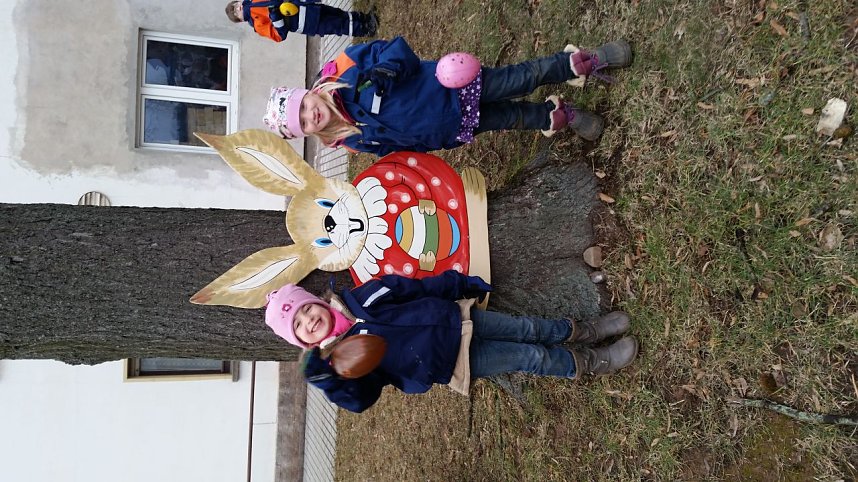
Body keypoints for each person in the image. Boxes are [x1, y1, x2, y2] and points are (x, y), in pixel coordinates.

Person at [265, 271, 639, 413]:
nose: (308, 320)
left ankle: (585, 331)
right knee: (530, 357)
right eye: (298, 326)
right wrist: (329, 380)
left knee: (528, 328)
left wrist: (460, 284)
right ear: (301, 339)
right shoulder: (343, 364)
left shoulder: (364, 296)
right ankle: (593, 362)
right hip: (456, 362)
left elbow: (414, 287)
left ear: (314, 301)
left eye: (304, 310)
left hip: (459, 318)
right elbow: (361, 399)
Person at [262, 36, 632, 157]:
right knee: (512, 118)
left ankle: (583, 62)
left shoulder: (349, 69)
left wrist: (388, 69)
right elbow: (397, 148)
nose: (312, 116)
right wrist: (437, 144)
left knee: (520, 79)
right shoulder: (351, 140)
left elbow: (398, 50)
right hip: (453, 126)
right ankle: (559, 116)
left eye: (305, 107)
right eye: (304, 124)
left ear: (310, 93)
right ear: (307, 133)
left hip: (454, 87)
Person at [225, 0, 378, 41]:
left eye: (236, 5)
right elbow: (280, 35)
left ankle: (363, 18)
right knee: (337, 25)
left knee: (337, 13)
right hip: (305, 23)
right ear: (241, 20)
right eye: (236, 12)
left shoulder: (254, 0)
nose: (238, 8)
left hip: (307, 7)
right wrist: (275, 17)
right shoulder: (258, 24)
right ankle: (365, 29)